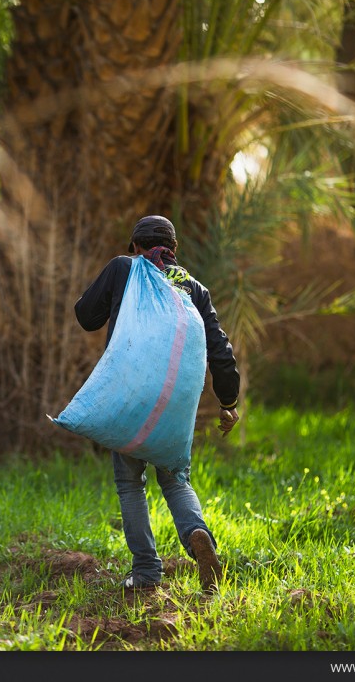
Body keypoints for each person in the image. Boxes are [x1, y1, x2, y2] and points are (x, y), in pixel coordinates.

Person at [74, 215, 240, 593]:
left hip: (129, 397)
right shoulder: (194, 288)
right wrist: (228, 401)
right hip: (175, 407)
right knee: (176, 480)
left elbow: (86, 316)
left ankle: (147, 571)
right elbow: (220, 348)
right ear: (174, 250)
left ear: (135, 246)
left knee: (129, 483)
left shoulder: (123, 269)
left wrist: (112, 299)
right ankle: (198, 534)